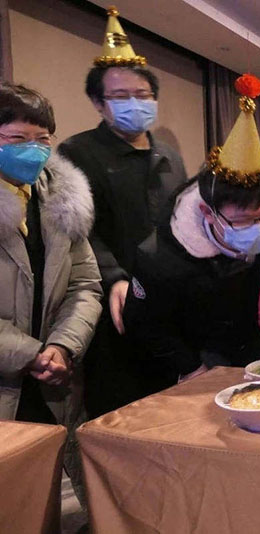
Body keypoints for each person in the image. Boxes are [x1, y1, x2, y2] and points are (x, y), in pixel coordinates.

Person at [123, 75, 260, 386]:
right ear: (207, 211)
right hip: (191, 351)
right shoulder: (159, 257)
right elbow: (146, 325)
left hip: (249, 339)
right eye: (243, 221)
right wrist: (190, 368)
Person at [57, 7, 187, 416]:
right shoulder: (78, 153)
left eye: (143, 95)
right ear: (98, 103)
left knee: (172, 401)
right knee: (120, 410)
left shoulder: (168, 155)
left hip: (169, 299)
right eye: (120, 96)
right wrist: (114, 277)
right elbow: (78, 230)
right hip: (115, 301)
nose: (135, 103)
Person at [0, 83, 102, 504]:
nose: (33, 150)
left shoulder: (59, 198)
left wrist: (61, 346)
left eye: (43, 139)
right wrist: (31, 353)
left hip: (50, 380)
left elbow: (85, 283)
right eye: (16, 139)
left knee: (44, 500)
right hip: (9, 377)